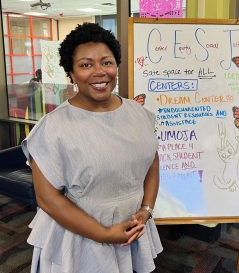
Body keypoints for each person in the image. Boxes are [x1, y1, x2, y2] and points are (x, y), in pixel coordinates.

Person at [22, 22, 163, 273]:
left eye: (106, 62)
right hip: (79, 235)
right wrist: (104, 234)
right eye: (86, 65)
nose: (99, 72)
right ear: (71, 74)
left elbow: (151, 162)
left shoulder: (139, 114)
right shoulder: (53, 128)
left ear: (116, 65)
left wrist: (146, 209)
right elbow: (48, 199)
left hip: (131, 226)